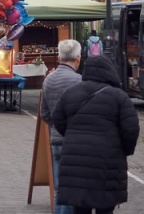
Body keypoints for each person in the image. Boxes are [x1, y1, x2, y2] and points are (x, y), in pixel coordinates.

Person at [51, 55, 140, 214]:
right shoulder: (119, 97)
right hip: (107, 163)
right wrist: (123, 150)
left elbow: (57, 119)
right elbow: (131, 129)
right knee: (105, 208)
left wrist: (72, 135)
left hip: (75, 161)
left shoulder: (70, 93)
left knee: (79, 207)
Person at [40, 39, 82, 214]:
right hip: (75, 141)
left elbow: (44, 113)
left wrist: (56, 126)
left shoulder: (49, 80)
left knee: (59, 190)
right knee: (75, 189)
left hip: (56, 139)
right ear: (78, 59)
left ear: (58, 57)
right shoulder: (80, 81)